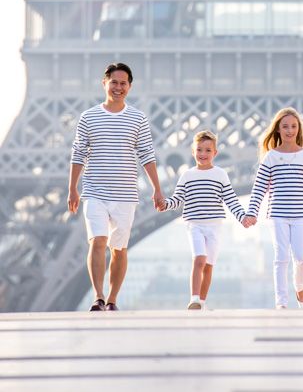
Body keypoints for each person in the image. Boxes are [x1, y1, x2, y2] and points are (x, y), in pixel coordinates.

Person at [68, 62, 164, 312]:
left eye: (123, 83)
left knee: (119, 249)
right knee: (97, 241)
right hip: (95, 191)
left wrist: (157, 188)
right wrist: (73, 188)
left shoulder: (137, 118)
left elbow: (146, 154)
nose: (118, 87)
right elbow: (78, 153)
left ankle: (112, 299)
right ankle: (98, 297)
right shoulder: (88, 117)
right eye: (114, 82)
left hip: (125, 194)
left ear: (129, 87)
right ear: (104, 83)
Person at [245, 107, 303, 309]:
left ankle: (299, 286)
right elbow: (259, 188)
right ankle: (281, 302)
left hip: (300, 215)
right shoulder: (270, 157)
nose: (289, 130)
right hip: (277, 215)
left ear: (299, 129)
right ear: (277, 129)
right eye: (285, 126)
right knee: (281, 256)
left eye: (293, 126)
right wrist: (252, 213)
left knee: (301, 257)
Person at [159, 129, 252, 310]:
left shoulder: (220, 174)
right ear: (193, 152)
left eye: (208, 150)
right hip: (195, 224)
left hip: (215, 226)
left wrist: (243, 217)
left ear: (215, 153)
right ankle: (193, 298)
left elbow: (231, 200)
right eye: (199, 150)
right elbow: (177, 198)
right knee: (199, 259)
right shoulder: (187, 175)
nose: (203, 154)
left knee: (209, 265)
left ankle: (201, 301)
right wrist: (165, 204)